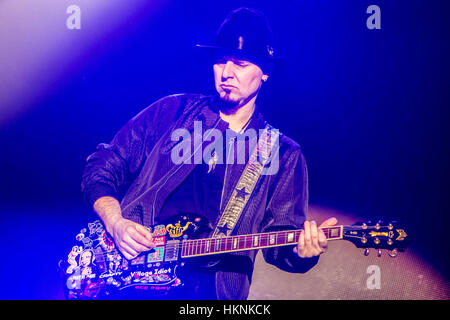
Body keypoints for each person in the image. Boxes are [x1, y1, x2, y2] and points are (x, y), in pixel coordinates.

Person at [81, 7, 337, 300]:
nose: (226, 73)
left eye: (239, 63)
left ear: (265, 72)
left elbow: (281, 243)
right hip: (126, 278)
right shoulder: (172, 111)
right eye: (220, 62)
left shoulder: (283, 153)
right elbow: (102, 165)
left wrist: (303, 252)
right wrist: (115, 223)